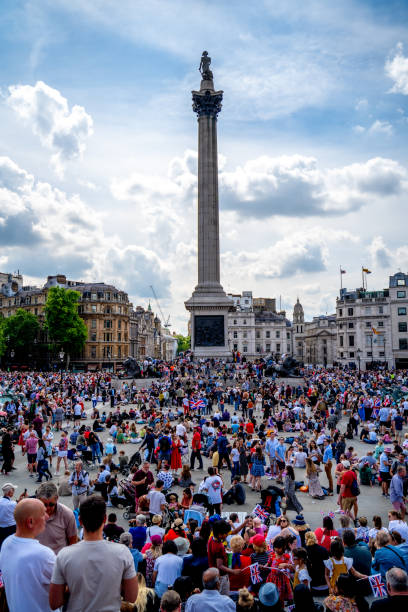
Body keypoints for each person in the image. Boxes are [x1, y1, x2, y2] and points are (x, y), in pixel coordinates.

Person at [49, 495, 138, 611]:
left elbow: (55, 602)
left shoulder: (64, 555)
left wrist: (72, 588)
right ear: (104, 519)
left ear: (80, 520)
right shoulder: (122, 553)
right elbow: (131, 597)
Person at [0, 498, 56, 612]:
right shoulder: (43, 554)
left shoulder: (6, 543)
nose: (47, 516)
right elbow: (62, 587)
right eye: (43, 513)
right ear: (30, 522)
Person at [36, 482, 78, 554]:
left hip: (58, 561)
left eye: (51, 504)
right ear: (38, 499)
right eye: (44, 505)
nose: (47, 508)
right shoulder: (30, 513)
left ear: (57, 498)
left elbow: (73, 542)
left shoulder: (67, 514)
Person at [0, 482, 25, 549]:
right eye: (13, 490)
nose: (14, 492)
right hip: (11, 527)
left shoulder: (1, 500)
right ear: (9, 493)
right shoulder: (12, 504)